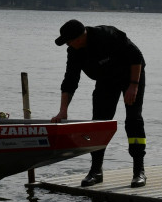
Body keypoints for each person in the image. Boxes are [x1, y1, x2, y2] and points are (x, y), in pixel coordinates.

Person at [51, 19, 147, 188]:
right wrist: (63, 110)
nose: (68, 44)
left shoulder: (107, 34)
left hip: (131, 76)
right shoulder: (74, 51)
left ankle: (138, 171)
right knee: (99, 123)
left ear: (81, 36)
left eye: (69, 41)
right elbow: (69, 81)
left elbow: (136, 56)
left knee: (133, 121)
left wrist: (133, 85)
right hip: (106, 80)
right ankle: (96, 171)